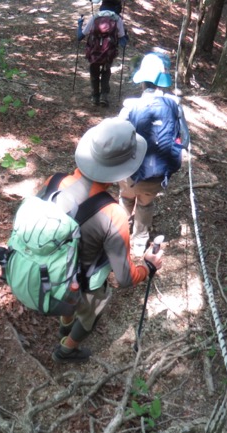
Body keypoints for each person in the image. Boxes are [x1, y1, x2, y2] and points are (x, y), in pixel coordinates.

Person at [37, 119, 164, 363]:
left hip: (48, 268)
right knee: (91, 312)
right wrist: (148, 267)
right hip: (83, 282)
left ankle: (65, 324)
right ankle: (67, 349)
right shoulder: (112, 213)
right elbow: (125, 278)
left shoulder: (54, 181)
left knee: (68, 298)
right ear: (125, 168)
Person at [116, 52, 190, 255]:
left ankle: (118, 236)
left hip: (129, 171)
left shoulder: (130, 106)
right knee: (145, 204)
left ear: (141, 80)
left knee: (125, 199)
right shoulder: (175, 106)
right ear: (162, 79)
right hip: (157, 173)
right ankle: (139, 244)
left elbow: (116, 136)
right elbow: (185, 140)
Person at [77, 0, 129, 107]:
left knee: (94, 71)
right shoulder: (117, 19)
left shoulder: (95, 17)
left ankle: (95, 96)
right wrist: (125, 36)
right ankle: (104, 96)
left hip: (94, 52)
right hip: (108, 53)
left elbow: (80, 37)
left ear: (102, 6)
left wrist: (80, 24)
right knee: (106, 71)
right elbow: (122, 39)